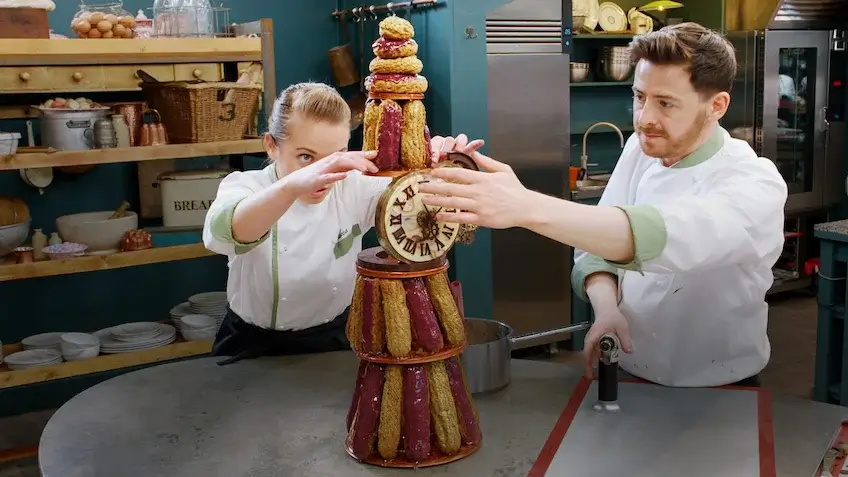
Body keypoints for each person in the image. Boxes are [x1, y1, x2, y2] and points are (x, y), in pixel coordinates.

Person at [421, 23, 788, 388]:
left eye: (666, 103)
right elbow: (597, 250)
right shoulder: (640, 150)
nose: (644, 119)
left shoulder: (753, 184)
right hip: (631, 369)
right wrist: (608, 309)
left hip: (722, 388)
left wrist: (523, 206)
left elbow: (657, 235)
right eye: (639, 96)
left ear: (717, 106)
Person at [202, 82, 392, 365]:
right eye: (306, 157)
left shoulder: (354, 187)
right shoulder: (246, 186)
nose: (322, 174)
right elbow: (224, 231)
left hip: (333, 340)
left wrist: (438, 162)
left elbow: (416, 198)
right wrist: (291, 187)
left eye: (335, 158)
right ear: (271, 146)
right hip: (250, 344)